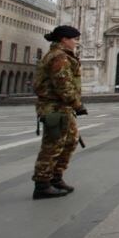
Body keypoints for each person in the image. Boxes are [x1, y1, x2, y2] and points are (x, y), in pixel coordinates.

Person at [32, 25, 88, 199]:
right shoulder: (59, 57)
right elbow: (62, 84)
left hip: (63, 107)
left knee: (70, 141)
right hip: (55, 107)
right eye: (74, 39)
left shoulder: (64, 55)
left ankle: (56, 178)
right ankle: (42, 184)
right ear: (64, 39)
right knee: (53, 145)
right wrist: (77, 104)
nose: (76, 42)